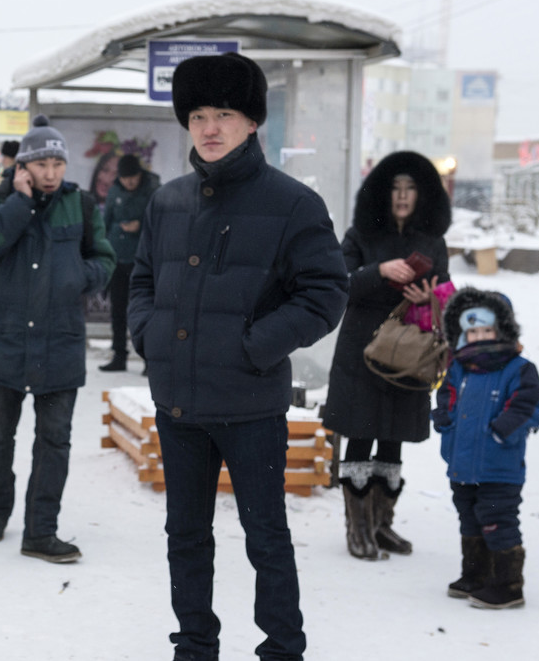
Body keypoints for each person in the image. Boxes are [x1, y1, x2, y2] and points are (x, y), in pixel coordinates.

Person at [127, 52, 348, 660]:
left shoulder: (292, 203)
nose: (209, 127)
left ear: (252, 121)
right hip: (179, 406)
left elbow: (326, 293)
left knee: (266, 537)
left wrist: (255, 346)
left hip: (250, 406)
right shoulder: (167, 202)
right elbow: (141, 280)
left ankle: (282, 648)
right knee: (186, 536)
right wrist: (147, 334)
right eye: (197, 114)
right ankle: (194, 645)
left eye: (224, 112)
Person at [0, 114, 116, 563]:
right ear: (23, 167)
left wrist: (77, 276)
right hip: (4, 339)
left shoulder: (83, 204)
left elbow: (105, 259)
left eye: (57, 163)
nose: (51, 172)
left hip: (59, 342)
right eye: (41, 164)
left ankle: (41, 531)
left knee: (54, 439)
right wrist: (20, 201)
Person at [322, 151, 453, 561]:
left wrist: (431, 297)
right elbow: (337, 285)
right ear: (382, 193)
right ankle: (357, 529)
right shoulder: (360, 235)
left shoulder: (433, 240)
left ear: (423, 194)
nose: (402, 196)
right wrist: (379, 271)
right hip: (362, 350)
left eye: (410, 188)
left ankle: (382, 525)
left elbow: (448, 294)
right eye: (395, 188)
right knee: (360, 435)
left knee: (393, 440)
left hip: (410, 353)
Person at [433, 287, 539, 609]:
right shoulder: (459, 367)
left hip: (500, 465)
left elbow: (528, 404)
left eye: (486, 329)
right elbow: (447, 396)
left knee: (497, 520)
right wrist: (444, 420)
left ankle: (508, 584)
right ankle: (476, 575)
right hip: (462, 462)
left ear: (502, 329)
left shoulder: (519, 368)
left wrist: (502, 432)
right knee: (469, 517)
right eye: (472, 331)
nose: (479, 337)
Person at [99, 153, 160, 373]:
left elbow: (160, 223)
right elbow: (105, 224)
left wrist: (140, 225)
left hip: (144, 262)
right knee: (118, 310)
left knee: (146, 309)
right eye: (125, 178)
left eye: (132, 177)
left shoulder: (153, 191)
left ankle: (149, 359)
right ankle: (119, 355)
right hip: (118, 259)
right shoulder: (114, 191)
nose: (129, 182)